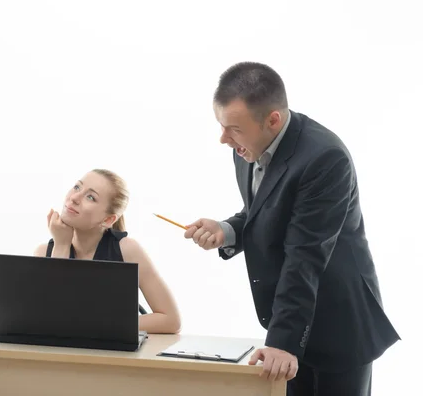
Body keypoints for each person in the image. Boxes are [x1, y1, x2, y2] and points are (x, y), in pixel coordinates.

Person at [184, 62, 399, 396]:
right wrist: (227, 230)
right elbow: (265, 209)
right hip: (292, 313)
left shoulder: (326, 158)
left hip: (339, 323)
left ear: (273, 119)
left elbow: (305, 255)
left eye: (234, 129)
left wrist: (283, 343)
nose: (223, 139)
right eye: (222, 126)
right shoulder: (244, 145)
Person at [34, 168, 182, 334]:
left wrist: (96, 325)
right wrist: (60, 246)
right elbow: (48, 320)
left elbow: (171, 320)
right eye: (77, 187)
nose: (74, 198)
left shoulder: (127, 250)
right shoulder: (43, 253)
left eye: (90, 197)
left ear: (108, 219)